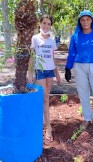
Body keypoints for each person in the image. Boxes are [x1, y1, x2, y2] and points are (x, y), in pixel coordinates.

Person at [28, 14, 61, 142]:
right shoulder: (35, 39)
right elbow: (32, 56)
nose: (46, 26)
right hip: (40, 71)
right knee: (44, 98)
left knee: (46, 97)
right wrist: (30, 72)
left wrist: (57, 73)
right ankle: (48, 127)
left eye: (48, 24)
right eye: (44, 23)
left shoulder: (52, 41)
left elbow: (53, 58)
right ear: (40, 24)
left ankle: (44, 123)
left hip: (50, 72)